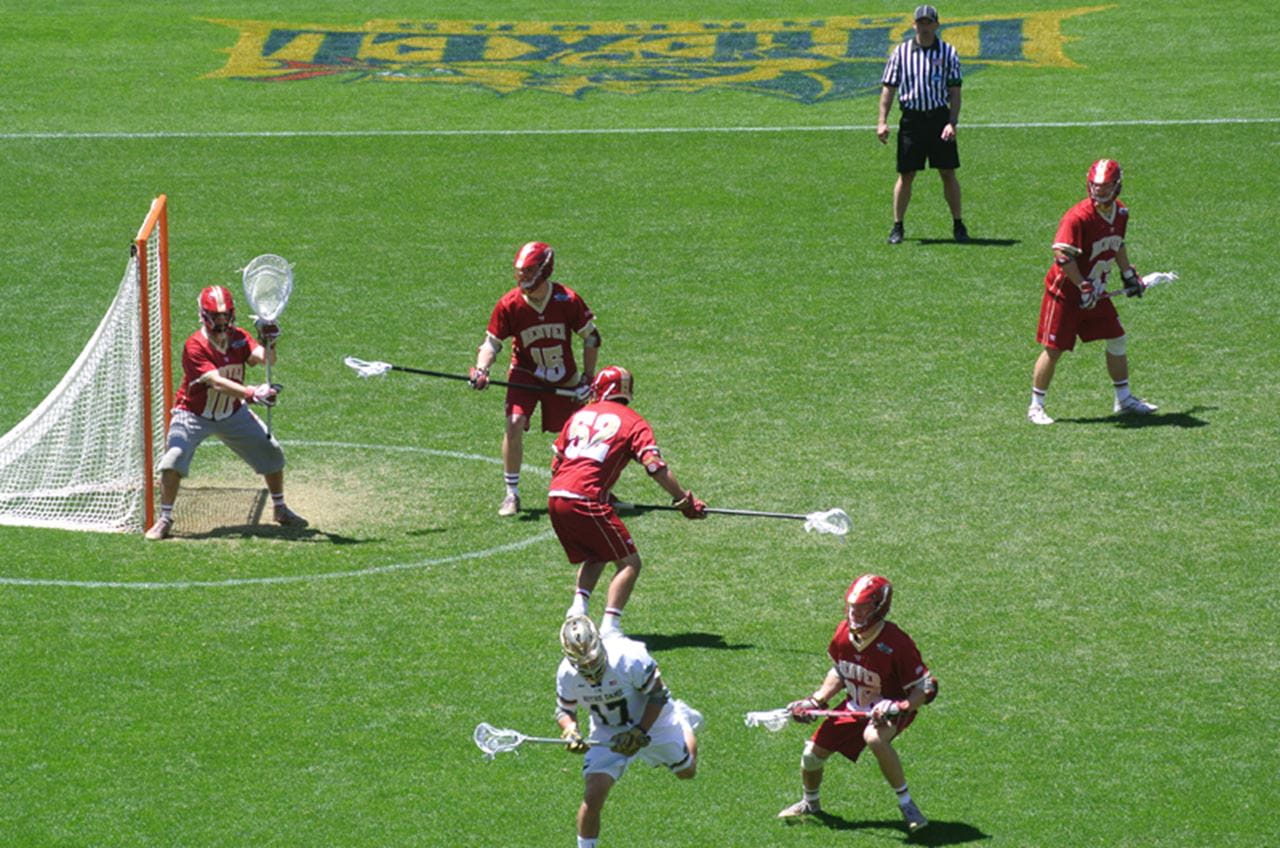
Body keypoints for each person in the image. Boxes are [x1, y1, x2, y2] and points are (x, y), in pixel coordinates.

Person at [548, 366, 706, 636]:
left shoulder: (580, 415)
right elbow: (654, 466)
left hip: (555, 496)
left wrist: (606, 494)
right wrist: (683, 500)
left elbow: (558, 464)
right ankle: (610, 628)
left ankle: (578, 609)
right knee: (630, 563)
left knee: (597, 553)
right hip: (586, 499)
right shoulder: (633, 422)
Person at [777, 574, 938, 835]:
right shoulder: (843, 633)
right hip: (855, 706)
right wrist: (816, 700)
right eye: (853, 606)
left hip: (891, 707)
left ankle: (907, 805)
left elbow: (927, 687)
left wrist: (897, 707)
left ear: (879, 607)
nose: (855, 612)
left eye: (863, 607)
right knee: (810, 756)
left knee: (874, 737)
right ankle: (811, 803)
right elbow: (840, 672)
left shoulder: (896, 642)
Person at [144, 285, 307, 540]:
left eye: (224, 315)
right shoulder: (194, 346)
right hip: (193, 414)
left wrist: (270, 340)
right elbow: (216, 381)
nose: (221, 321)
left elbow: (265, 359)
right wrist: (253, 393)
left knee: (271, 452)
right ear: (203, 315)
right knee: (173, 459)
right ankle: (164, 519)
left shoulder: (239, 337)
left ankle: (280, 508)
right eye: (215, 316)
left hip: (232, 413)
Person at [469, 242, 601, 516]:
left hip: (563, 376)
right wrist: (481, 369)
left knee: (578, 435)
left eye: (528, 272)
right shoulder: (510, 304)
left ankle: (588, 489)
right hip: (525, 373)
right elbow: (491, 344)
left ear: (544, 270)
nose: (522, 278)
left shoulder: (567, 300)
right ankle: (511, 494)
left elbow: (591, 337)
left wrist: (588, 378)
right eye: (520, 272)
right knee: (514, 423)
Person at [1028, 158, 1158, 425]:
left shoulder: (1120, 213)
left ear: (1117, 186)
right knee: (1055, 348)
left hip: (1094, 291)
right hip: (1066, 292)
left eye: (1105, 186)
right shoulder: (1078, 217)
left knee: (1117, 338)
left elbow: (1117, 243)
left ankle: (1123, 399)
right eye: (1096, 186)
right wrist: (1082, 286)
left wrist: (1128, 275)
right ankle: (1035, 406)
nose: (1099, 191)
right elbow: (1062, 256)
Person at [556, 615, 702, 848]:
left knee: (687, 771)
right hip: (608, 730)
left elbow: (657, 696)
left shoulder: (629, 658)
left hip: (655, 720)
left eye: (591, 660)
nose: (590, 668)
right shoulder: (566, 674)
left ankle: (683, 720)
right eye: (582, 664)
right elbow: (564, 710)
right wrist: (571, 729)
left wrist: (639, 731)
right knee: (593, 795)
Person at [877, 5, 968, 244]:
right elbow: (889, 87)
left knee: (948, 172)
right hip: (912, 120)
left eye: (928, 22)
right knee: (906, 174)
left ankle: (958, 224)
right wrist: (882, 121)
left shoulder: (948, 53)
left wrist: (952, 122)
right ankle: (898, 226)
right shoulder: (900, 53)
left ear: (936, 24)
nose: (924, 27)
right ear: (913, 24)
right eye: (920, 22)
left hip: (938, 119)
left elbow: (955, 91)